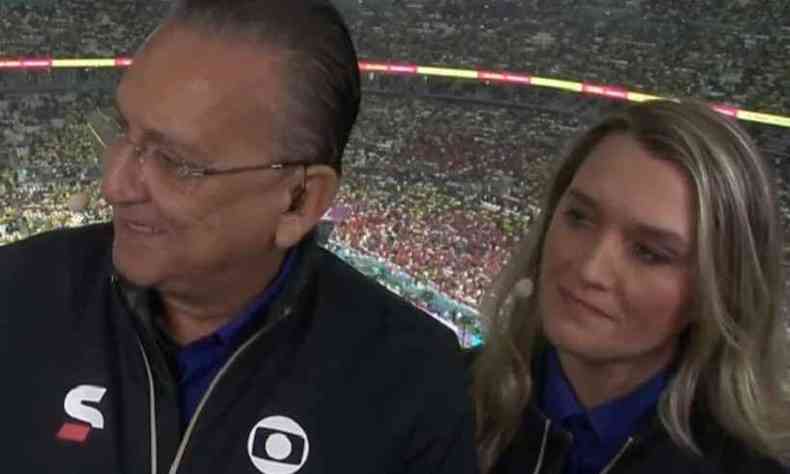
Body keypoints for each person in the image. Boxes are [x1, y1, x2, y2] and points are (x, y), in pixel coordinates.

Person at [1, 1, 478, 473]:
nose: (114, 185)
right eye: (124, 131)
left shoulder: (412, 382)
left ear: (299, 202)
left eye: (176, 162)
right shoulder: (16, 293)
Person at [469, 99, 790, 474]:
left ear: (718, 291)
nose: (591, 269)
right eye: (578, 217)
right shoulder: (434, 396)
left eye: (649, 253)